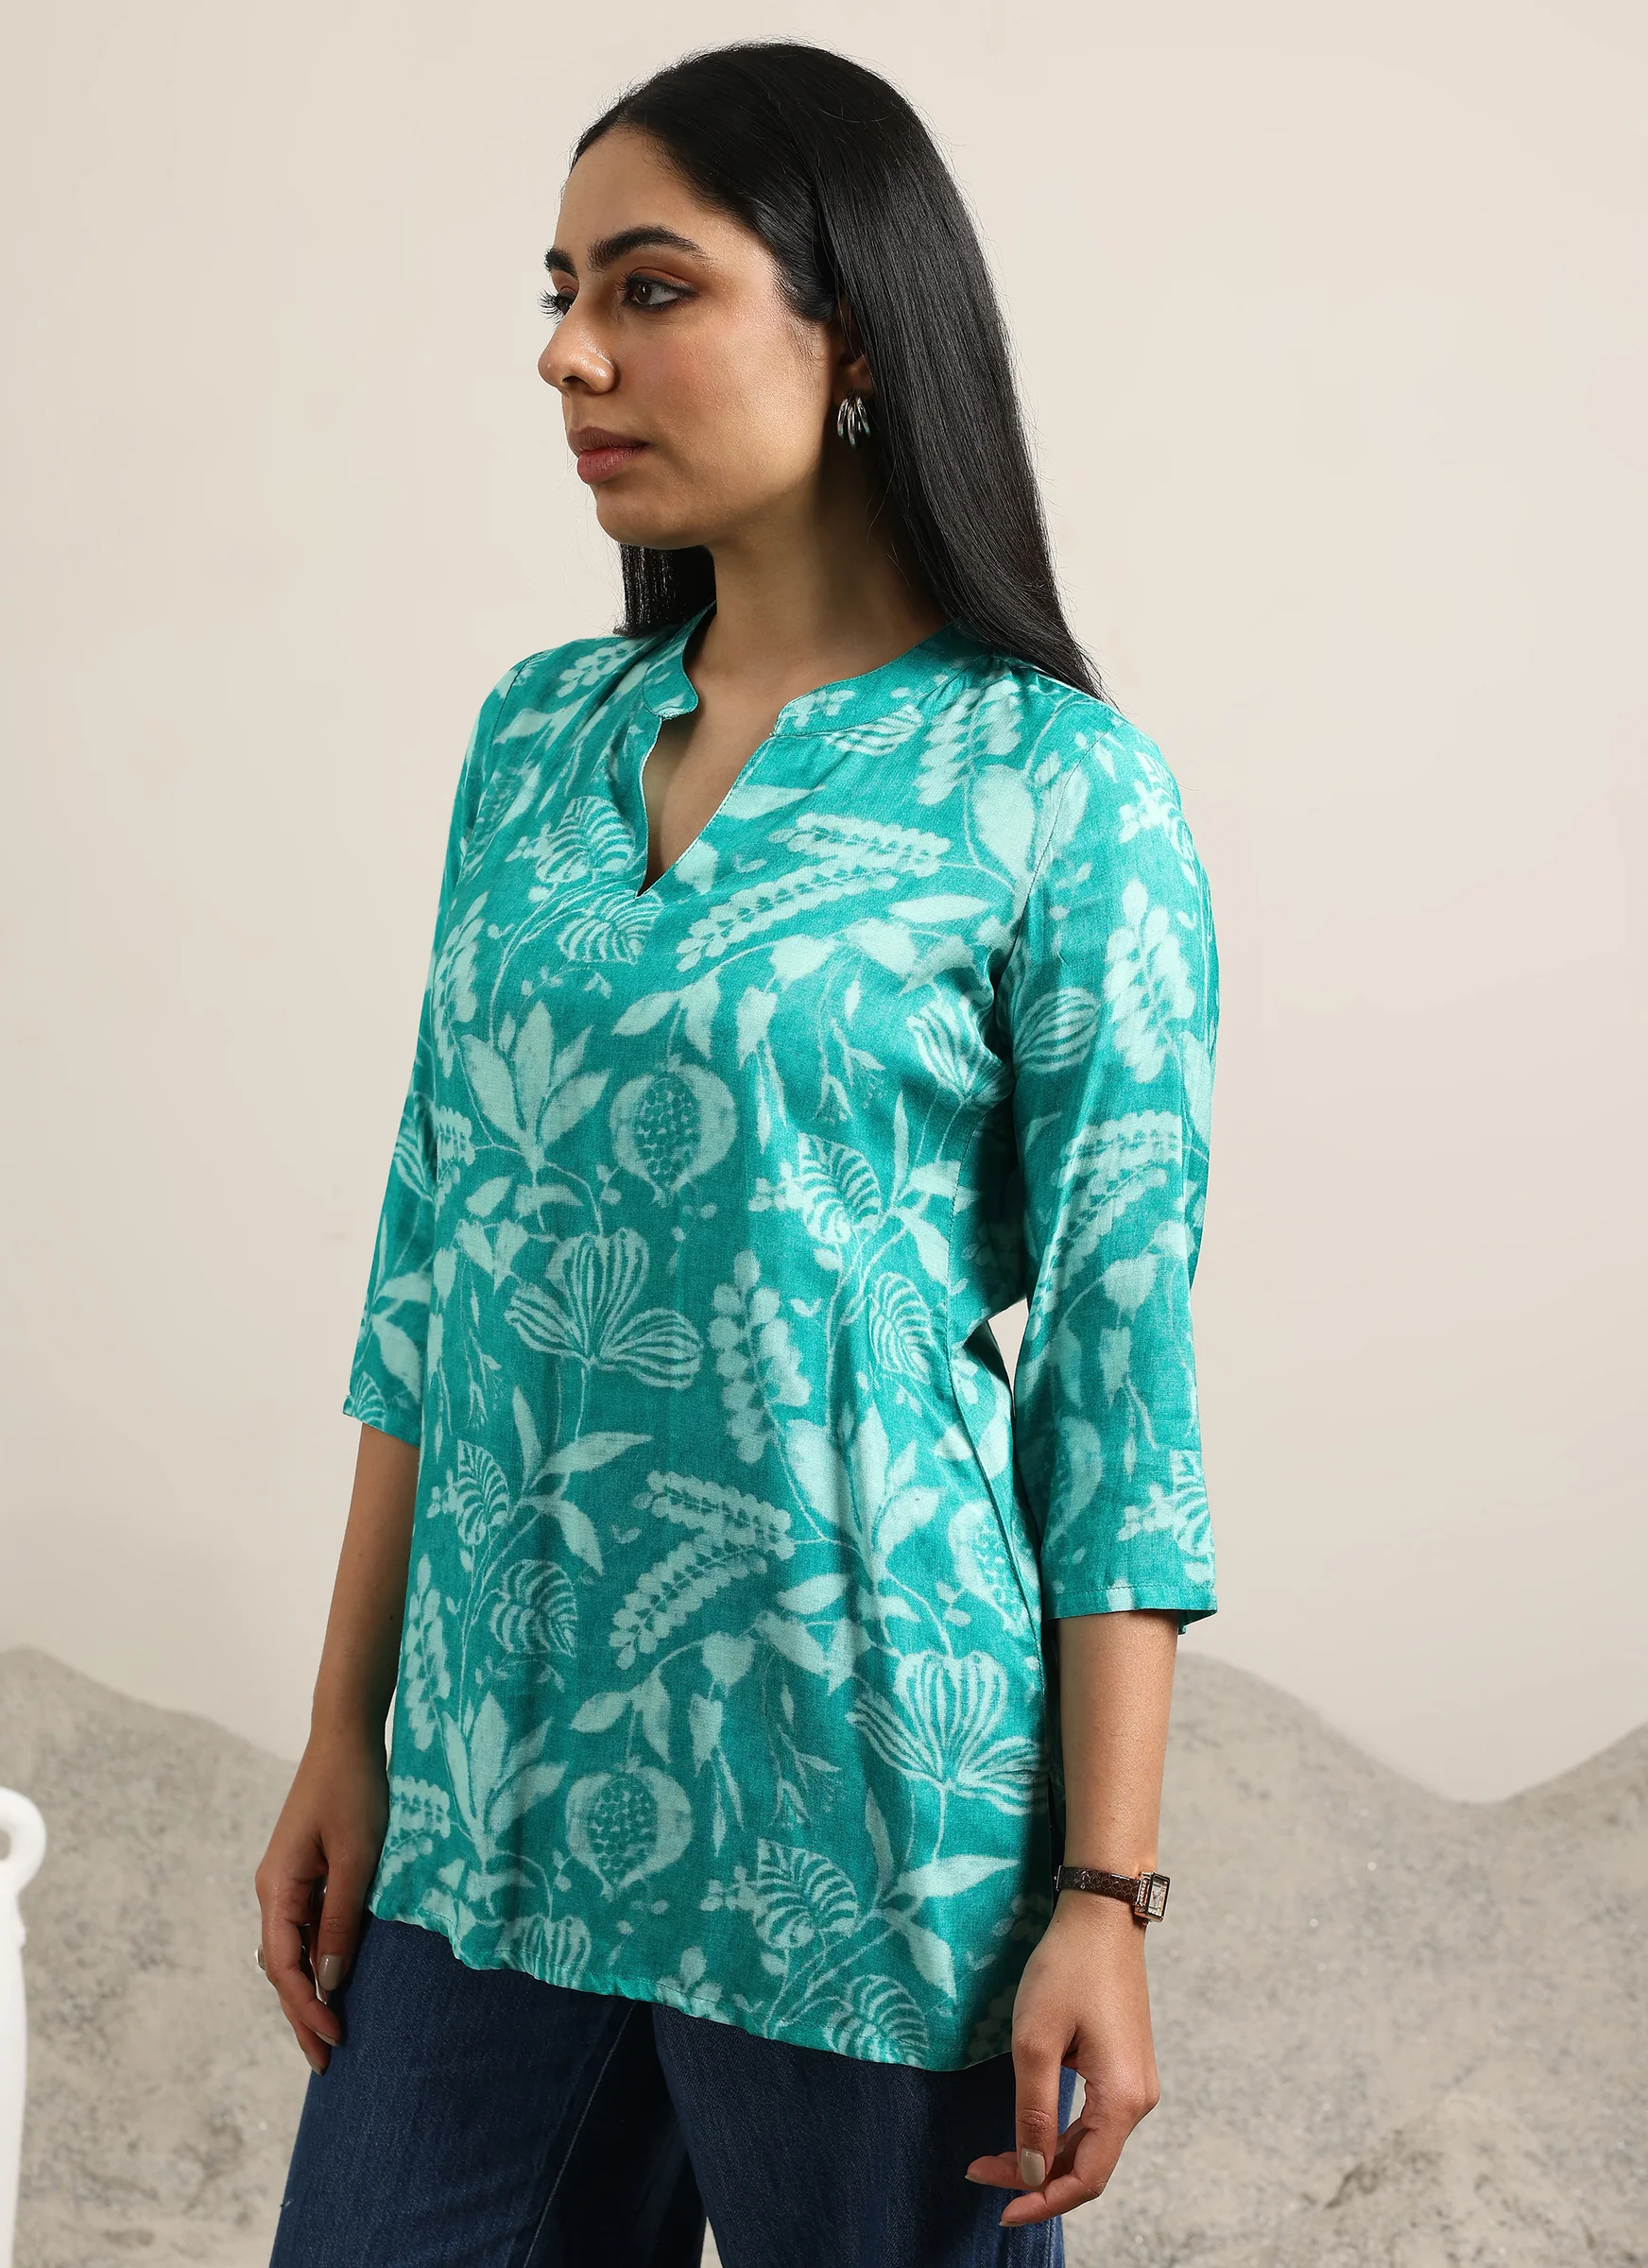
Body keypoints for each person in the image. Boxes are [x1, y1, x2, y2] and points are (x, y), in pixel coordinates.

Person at [256, 37, 1220, 2268]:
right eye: (563, 291)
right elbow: (433, 1265)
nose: (570, 353)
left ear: (852, 330)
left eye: (652, 286)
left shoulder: (1058, 793)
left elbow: (1119, 1376)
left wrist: (1102, 1889)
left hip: (859, 1824)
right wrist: (342, 1734)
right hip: (490, 1804)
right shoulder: (537, 741)